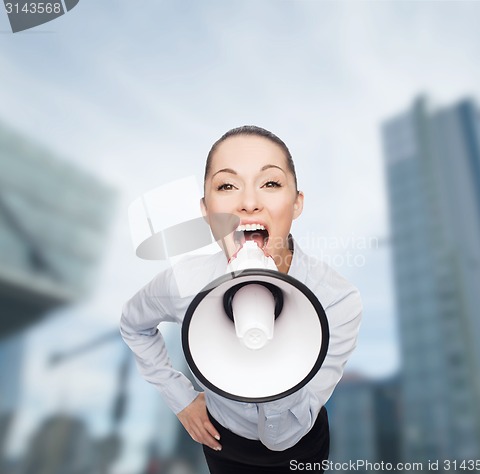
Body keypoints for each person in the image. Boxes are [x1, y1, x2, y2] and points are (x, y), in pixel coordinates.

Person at [120, 125, 362, 473]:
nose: (248, 202)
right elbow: (133, 325)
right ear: (207, 211)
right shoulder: (184, 283)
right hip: (222, 441)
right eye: (227, 186)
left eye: (271, 183)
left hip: (300, 446)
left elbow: (283, 437)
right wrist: (182, 400)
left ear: (296, 204)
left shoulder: (338, 300)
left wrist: (275, 360)